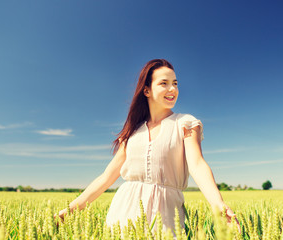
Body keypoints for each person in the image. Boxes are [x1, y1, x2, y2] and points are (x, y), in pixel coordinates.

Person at [55, 59, 240, 234]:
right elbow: (106, 177)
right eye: (164, 83)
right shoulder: (132, 132)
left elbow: (197, 165)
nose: (172, 89)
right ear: (146, 90)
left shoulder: (185, 123)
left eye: (175, 83)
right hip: (123, 214)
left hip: (167, 217)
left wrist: (218, 205)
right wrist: (71, 209)